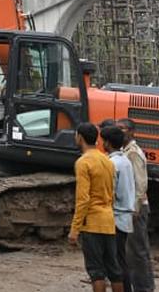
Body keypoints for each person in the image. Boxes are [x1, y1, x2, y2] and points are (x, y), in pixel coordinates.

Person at [69, 122, 124, 292]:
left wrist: (75, 229)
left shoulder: (83, 162)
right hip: (108, 222)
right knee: (114, 270)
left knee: (96, 272)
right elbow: (112, 192)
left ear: (80, 137)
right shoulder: (107, 161)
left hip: (92, 223)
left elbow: (83, 199)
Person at [117, 118, 155, 292]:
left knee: (138, 252)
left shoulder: (133, 153)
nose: (119, 132)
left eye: (122, 129)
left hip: (136, 209)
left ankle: (144, 288)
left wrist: (135, 209)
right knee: (131, 252)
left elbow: (140, 184)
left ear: (132, 132)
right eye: (117, 128)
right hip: (132, 208)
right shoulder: (125, 151)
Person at [103, 125, 136, 288]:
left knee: (116, 263)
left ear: (107, 143)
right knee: (120, 259)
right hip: (124, 217)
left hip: (116, 217)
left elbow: (111, 192)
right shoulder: (125, 161)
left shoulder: (113, 163)